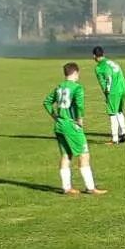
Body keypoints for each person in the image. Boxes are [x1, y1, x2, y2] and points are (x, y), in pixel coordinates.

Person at [44, 63, 105, 196]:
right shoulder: (77, 88)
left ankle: (66, 188)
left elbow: (47, 102)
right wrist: (80, 120)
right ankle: (90, 187)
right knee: (84, 154)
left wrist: (54, 116)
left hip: (59, 125)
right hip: (71, 125)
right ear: (75, 73)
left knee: (66, 155)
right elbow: (80, 105)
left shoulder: (59, 87)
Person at [90, 46, 125, 144]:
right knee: (119, 111)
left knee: (112, 113)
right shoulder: (111, 62)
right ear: (103, 54)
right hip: (123, 88)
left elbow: (108, 77)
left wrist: (107, 91)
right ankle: (123, 133)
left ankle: (115, 139)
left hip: (113, 90)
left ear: (94, 56)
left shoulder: (99, 67)